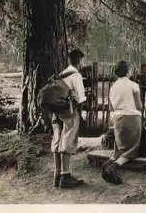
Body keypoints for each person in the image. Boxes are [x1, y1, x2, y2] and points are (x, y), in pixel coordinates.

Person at [102, 60, 146, 184]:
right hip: (132, 118)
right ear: (128, 71)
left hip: (117, 120)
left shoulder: (112, 87)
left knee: (119, 150)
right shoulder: (133, 85)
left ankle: (106, 164)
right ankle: (112, 168)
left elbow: (111, 108)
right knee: (131, 151)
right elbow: (139, 106)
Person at [51, 49, 87, 189]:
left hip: (56, 112)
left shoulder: (61, 74)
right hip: (69, 112)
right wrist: (81, 113)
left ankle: (57, 175)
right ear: (79, 61)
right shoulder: (76, 75)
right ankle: (65, 177)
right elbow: (81, 97)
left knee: (57, 139)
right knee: (68, 140)